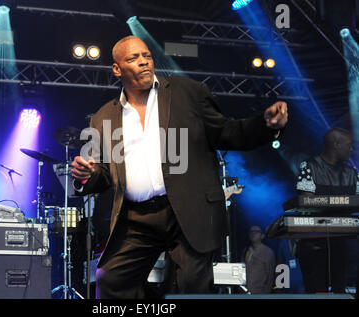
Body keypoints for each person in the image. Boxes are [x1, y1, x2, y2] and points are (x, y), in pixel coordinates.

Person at [71, 35, 288, 299]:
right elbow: (102, 173)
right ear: (117, 69)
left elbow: (226, 131)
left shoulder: (188, 92)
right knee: (110, 280)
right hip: (137, 218)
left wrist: (265, 125)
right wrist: (88, 175)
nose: (143, 62)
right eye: (133, 58)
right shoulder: (102, 117)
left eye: (147, 56)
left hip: (186, 209)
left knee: (191, 285)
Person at [295, 127, 358, 293]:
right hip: (314, 243)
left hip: (341, 242)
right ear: (336, 144)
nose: (352, 149)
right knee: (317, 291)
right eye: (349, 145)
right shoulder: (310, 166)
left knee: (340, 290)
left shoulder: (352, 172)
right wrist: (340, 202)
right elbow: (306, 201)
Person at [243, 225, 276, 294]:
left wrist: (266, 292)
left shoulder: (267, 252)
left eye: (256, 232)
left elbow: (271, 275)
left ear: (262, 236)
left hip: (260, 292)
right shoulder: (246, 251)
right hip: (245, 292)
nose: (253, 234)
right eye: (251, 232)